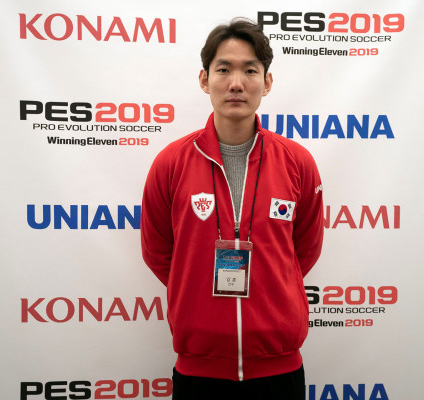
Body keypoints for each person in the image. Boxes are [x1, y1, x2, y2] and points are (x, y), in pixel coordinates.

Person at [140, 18, 324, 400]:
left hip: (279, 370)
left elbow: (304, 250)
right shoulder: (171, 163)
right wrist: (194, 292)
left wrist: (272, 288)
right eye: (223, 70)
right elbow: (158, 252)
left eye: (250, 71)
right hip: (198, 370)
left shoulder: (297, 162)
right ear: (204, 80)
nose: (236, 83)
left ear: (267, 83)